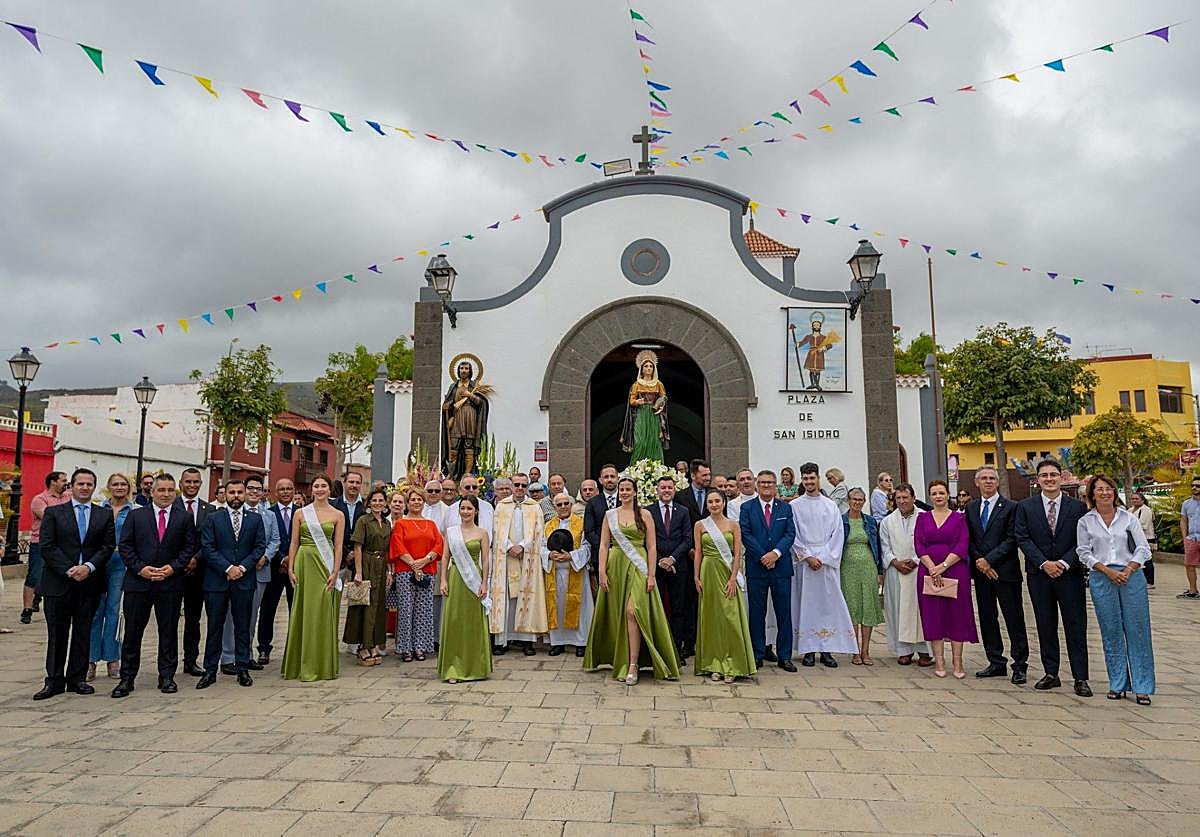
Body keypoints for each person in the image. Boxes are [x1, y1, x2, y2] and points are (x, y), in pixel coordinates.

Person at [585, 476, 680, 684]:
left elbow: (652, 547)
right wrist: (601, 571)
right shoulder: (610, 515)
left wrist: (652, 574)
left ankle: (633, 664)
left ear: (635, 492)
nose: (625, 492)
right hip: (616, 565)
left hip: (639, 565)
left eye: (628, 489)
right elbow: (603, 545)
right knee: (620, 613)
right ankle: (621, 658)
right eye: (622, 489)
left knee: (632, 611)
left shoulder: (645, 514)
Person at [111, 473, 198, 698]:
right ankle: (127, 678)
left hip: (170, 583)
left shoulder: (184, 517)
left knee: (168, 631)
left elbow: (189, 548)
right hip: (139, 582)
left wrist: (172, 568)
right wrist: (141, 568)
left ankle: (167, 676)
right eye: (161, 490)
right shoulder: (136, 516)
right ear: (152, 491)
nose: (166, 494)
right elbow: (126, 545)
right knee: (132, 632)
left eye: (170, 490)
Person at [34, 468, 115, 700]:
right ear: (72, 486)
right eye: (80, 483)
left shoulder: (103, 515)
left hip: (89, 582)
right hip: (58, 582)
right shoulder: (54, 513)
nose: (85, 488)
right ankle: (54, 680)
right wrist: (70, 569)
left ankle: (77, 678)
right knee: (57, 634)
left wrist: (88, 567)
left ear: (94, 487)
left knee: (83, 632)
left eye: (89, 484)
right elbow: (47, 546)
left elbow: (107, 547)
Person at [1014, 459, 1091, 697]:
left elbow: (1082, 541)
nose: (1049, 479)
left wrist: (1065, 563)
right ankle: (1051, 673)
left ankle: (1080, 677)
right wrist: (1044, 563)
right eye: (1044, 475)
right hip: (1040, 575)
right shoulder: (1025, 507)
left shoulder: (1077, 508)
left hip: (1070, 575)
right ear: (1037, 480)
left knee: (1075, 626)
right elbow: (1022, 537)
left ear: (1061, 477)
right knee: (1045, 625)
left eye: (1053, 475)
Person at [1077, 474, 1155, 705]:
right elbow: (1083, 552)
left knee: (1137, 630)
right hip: (1102, 577)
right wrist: (1107, 571)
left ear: (1115, 492)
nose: (1104, 493)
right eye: (1099, 489)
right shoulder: (1086, 521)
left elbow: (1143, 548)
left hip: (1131, 576)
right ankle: (1117, 683)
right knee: (1111, 631)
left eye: (1109, 488)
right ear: (1092, 494)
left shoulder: (1128, 518)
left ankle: (1142, 686)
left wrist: (1129, 570)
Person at [197, 480, 265, 689]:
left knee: (242, 625)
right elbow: (207, 547)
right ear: (224, 494)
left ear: (245, 494)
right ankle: (210, 670)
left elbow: (259, 546)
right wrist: (228, 568)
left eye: (239, 492)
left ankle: (242, 668)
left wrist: (242, 568)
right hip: (217, 581)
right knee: (215, 626)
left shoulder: (254, 519)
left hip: (244, 581)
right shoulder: (213, 518)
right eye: (232, 492)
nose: (236, 495)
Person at [964, 466, 1027, 684]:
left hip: (1005, 572)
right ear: (977, 482)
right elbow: (969, 539)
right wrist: (980, 562)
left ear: (998, 482)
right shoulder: (971, 508)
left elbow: (1013, 538)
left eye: (992, 478)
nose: (988, 481)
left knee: (1014, 618)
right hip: (981, 574)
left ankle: (1019, 664)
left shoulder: (1011, 507)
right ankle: (995, 661)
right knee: (988, 618)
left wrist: (989, 560)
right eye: (984, 478)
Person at [790, 464, 856, 667]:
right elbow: (793, 534)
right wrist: (807, 557)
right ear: (802, 480)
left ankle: (826, 649)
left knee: (827, 607)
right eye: (805, 479)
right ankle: (808, 649)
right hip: (805, 563)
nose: (809, 482)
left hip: (826, 564)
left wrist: (825, 557)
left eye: (812, 478)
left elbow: (838, 534)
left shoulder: (830, 505)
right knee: (806, 605)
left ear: (818, 478)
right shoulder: (795, 506)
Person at [281, 474, 344, 682]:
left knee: (322, 610)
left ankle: (322, 664)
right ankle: (300, 663)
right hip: (304, 563)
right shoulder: (300, 513)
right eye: (316, 486)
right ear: (312, 489)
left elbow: (338, 546)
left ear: (330, 489)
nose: (319, 489)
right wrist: (290, 568)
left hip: (325, 566)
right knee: (303, 610)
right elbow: (293, 543)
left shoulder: (338, 514)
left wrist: (335, 572)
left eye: (323, 486)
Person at [915, 480, 977, 678]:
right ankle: (939, 660)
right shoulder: (923, 518)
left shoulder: (959, 519)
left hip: (955, 570)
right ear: (930, 496)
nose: (938, 496)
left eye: (942, 492)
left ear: (947, 494)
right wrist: (932, 568)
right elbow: (919, 545)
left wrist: (943, 567)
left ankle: (957, 662)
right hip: (928, 571)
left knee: (957, 615)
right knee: (934, 616)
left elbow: (962, 545)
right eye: (934, 493)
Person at [694, 489, 755, 682]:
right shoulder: (700, 525)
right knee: (711, 617)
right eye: (710, 502)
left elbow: (737, 553)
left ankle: (733, 664)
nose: (714, 505)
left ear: (724, 503)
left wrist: (732, 577)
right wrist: (696, 577)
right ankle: (714, 664)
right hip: (708, 571)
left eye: (717, 501)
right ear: (707, 505)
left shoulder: (733, 525)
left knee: (730, 617)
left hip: (727, 571)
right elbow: (698, 553)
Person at [220, 474, 278, 674]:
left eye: (258, 489)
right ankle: (228, 656)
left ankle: (245, 655)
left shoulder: (269, 515)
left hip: (260, 572)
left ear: (263, 492)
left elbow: (275, 540)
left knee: (251, 616)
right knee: (230, 616)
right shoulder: (233, 512)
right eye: (250, 488)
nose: (254, 492)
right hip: (236, 572)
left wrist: (266, 557)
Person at [489, 473, 547, 655]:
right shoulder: (501, 506)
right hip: (506, 558)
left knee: (526, 595)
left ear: (528, 487)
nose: (520, 488)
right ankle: (502, 640)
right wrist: (509, 547)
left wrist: (522, 546)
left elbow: (538, 532)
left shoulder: (534, 507)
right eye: (517, 485)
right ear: (511, 486)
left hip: (527, 557)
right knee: (505, 598)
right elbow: (496, 531)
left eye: (524, 485)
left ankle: (526, 640)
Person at [438, 495, 492, 683]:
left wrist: (485, 583)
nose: (466, 512)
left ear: (476, 511)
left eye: (470, 508)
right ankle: (453, 668)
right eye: (463, 508)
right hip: (455, 578)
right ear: (459, 510)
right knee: (454, 621)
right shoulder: (451, 532)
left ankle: (476, 667)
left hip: (473, 581)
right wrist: (443, 580)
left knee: (473, 623)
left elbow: (485, 560)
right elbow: (445, 557)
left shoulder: (483, 533)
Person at [879, 484, 933, 666]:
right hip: (897, 571)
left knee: (921, 611)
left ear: (913, 497)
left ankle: (925, 651)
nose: (902, 501)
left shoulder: (925, 518)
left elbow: (929, 543)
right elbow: (884, 546)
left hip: (920, 568)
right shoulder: (887, 521)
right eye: (898, 498)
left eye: (905, 497)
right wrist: (895, 561)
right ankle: (904, 650)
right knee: (898, 610)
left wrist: (916, 560)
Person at [89, 473, 133, 681]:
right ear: (109, 486)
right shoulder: (98, 509)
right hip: (99, 564)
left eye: (123, 484)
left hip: (121, 565)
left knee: (115, 611)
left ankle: (112, 658)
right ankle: (91, 658)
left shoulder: (135, 511)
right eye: (115, 484)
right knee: (95, 612)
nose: (119, 487)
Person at [391, 487, 443, 663]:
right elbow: (397, 545)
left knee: (424, 610)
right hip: (405, 571)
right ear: (407, 503)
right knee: (406, 610)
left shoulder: (431, 524)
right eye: (413, 499)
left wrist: (425, 560)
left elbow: (438, 545)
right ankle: (406, 648)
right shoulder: (400, 524)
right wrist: (413, 564)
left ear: (424, 502)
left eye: (419, 499)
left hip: (427, 571)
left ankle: (420, 646)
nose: (416, 502)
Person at [341, 488, 392, 665]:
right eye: (374, 500)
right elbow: (357, 547)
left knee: (377, 607)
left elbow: (387, 550)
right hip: (366, 563)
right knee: (365, 605)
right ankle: (363, 646)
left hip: (381, 564)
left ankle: (372, 644)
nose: (377, 503)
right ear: (369, 503)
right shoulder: (363, 521)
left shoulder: (386, 523)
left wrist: (388, 571)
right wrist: (359, 572)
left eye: (381, 500)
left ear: (385, 503)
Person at [648, 475, 695, 660]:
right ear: (657, 491)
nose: (666, 490)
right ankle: (658, 649)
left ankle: (676, 650)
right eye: (663, 487)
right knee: (657, 608)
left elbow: (688, 539)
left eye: (669, 487)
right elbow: (647, 540)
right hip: (656, 567)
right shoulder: (648, 511)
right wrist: (661, 560)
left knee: (678, 609)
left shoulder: (683, 511)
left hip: (679, 567)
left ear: (674, 490)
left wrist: (672, 559)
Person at [542, 492, 593, 657]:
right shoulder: (548, 526)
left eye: (566, 504)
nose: (563, 507)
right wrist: (549, 555)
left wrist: (571, 556)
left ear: (571, 505)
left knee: (580, 606)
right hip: (555, 572)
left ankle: (581, 642)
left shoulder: (582, 524)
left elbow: (587, 547)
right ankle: (558, 642)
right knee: (557, 606)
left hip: (575, 570)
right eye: (559, 504)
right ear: (555, 507)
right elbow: (541, 546)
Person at [176, 468, 215, 676]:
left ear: (201, 484)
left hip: (199, 572)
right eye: (188, 482)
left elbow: (209, 540)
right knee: (170, 619)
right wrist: (183, 560)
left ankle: (190, 660)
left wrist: (195, 559)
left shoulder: (209, 510)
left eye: (195, 482)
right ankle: (168, 661)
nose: (191, 485)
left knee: (193, 619)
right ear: (181, 483)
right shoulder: (170, 506)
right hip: (174, 570)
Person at [841, 488, 884, 666]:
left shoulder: (871, 521)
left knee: (867, 606)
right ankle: (854, 650)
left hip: (868, 567)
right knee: (852, 607)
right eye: (854, 499)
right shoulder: (841, 521)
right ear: (848, 500)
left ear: (864, 501)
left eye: (860, 499)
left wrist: (880, 571)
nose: (857, 502)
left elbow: (878, 547)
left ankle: (865, 650)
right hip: (847, 568)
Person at [21, 470, 69, 624]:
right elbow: (49, 519)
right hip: (41, 542)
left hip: (63, 543)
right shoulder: (39, 499)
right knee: (34, 575)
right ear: (53, 482)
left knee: (64, 573)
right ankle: (27, 608)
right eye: (63, 480)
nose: (66, 483)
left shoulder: (69, 496)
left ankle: (55, 602)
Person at [257, 478, 296, 666]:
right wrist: (281, 558)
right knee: (267, 610)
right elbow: (266, 540)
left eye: (289, 489)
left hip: (296, 569)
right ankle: (264, 648)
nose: (286, 492)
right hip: (273, 568)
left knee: (295, 609)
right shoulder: (267, 514)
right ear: (275, 492)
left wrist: (292, 559)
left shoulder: (302, 513)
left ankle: (294, 648)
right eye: (282, 489)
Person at [621, 349, 670, 464]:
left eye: (651, 366)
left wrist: (660, 406)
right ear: (641, 369)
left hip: (653, 414)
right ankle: (637, 466)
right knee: (640, 441)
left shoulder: (658, 384)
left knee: (654, 441)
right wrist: (638, 402)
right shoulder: (637, 384)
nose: (648, 368)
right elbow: (631, 400)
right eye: (646, 366)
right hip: (641, 414)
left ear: (654, 369)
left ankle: (656, 466)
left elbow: (664, 398)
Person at [584, 464, 621, 571]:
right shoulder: (592, 503)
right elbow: (589, 532)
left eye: (612, 476)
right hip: (600, 555)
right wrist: (606, 546)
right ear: (600, 480)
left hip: (624, 553)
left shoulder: (627, 500)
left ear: (618, 479)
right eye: (606, 477)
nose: (609, 480)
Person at [331, 471, 365, 567]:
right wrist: (346, 553)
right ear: (344, 483)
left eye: (357, 483)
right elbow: (331, 533)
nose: (354, 485)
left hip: (360, 561)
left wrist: (356, 553)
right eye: (351, 482)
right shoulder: (333, 506)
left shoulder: (366, 506)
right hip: (337, 560)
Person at [1179, 476, 1200, 599]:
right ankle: (1193, 590)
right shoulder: (1186, 504)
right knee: (1189, 565)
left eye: (1198, 486)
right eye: (1193, 485)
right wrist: (1185, 537)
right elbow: (1183, 520)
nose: (1194, 488)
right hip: (1192, 539)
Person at [1129, 492, 1156, 589]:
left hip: (1147, 537)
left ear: (1142, 500)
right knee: (1138, 559)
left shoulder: (1146, 510)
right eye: (1133, 499)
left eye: (1137, 499)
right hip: (1134, 537)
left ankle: (1150, 582)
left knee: (1147, 559)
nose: (1134, 501)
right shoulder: (1130, 510)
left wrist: (1131, 526)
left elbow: (1144, 525)